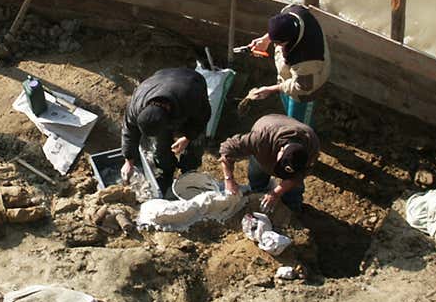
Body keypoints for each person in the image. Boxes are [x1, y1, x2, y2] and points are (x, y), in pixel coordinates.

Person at [120, 67, 211, 199]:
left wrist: (187, 137)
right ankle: (166, 173)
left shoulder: (191, 97)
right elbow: (129, 132)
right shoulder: (136, 106)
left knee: (196, 143)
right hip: (161, 79)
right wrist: (128, 161)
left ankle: (188, 173)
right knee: (160, 146)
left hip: (190, 82)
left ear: (170, 121)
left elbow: (204, 116)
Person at [242, 4, 330, 126]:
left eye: (279, 43)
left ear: (290, 40)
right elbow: (281, 25)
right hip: (288, 79)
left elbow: (302, 87)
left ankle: (305, 140)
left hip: (305, 91)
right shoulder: (292, 12)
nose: (277, 46)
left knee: (298, 128)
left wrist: (270, 90)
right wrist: (266, 39)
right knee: (290, 116)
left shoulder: (307, 57)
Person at [218, 114, 319, 210]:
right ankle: (258, 194)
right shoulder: (261, 139)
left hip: (288, 140)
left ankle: (292, 208)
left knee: (294, 189)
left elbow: (299, 176)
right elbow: (227, 148)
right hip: (268, 132)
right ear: (281, 150)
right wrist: (229, 180)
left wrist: (276, 193)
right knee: (257, 174)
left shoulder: (311, 146)